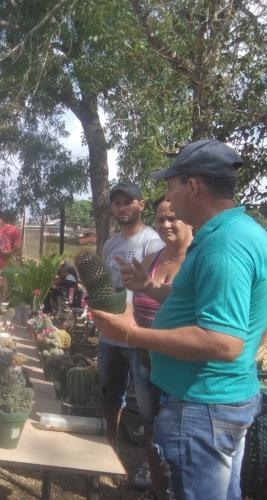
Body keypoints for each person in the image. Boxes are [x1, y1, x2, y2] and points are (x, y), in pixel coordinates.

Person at [92, 139, 267, 500]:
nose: (169, 197)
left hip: (203, 406)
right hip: (218, 401)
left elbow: (222, 342)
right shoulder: (239, 232)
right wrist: (149, 287)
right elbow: (203, 302)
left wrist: (131, 334)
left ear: (193, 186)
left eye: (171, 186)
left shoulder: (225, 246)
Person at [116, 196, 193, 492]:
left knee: (178, 432)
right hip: (145, 358)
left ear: (188, 218)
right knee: (149, 423)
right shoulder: (152, 259)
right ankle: (157, 483)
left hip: (180, 364)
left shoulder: (197, 259)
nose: (165, 224)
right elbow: (132, 298)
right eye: (160, 219)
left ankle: (175, 486)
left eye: (173, 217)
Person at [97, 181, 164, 489]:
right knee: (110, 398)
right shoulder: (110, 245)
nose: (122, 207)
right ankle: (107, 452)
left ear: (141, 204)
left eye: (128, 201)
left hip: (139, 336)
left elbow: (152, 289)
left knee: (149, 408)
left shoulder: (152, 241)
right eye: (117, 203)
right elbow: (104, 285)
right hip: (110, 335)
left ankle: (151, 466)